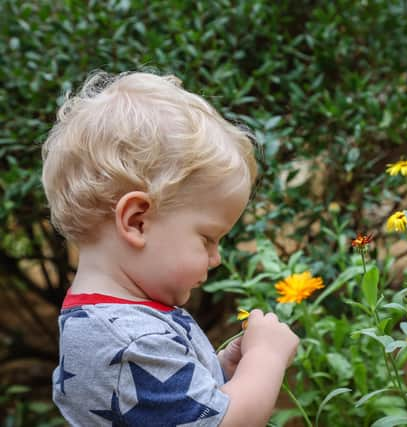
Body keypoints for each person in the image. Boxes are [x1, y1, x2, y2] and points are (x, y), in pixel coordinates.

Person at [44, 71, 299, 426]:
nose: (216, 257)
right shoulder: (132, 341)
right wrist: (266, 358)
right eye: (207, 238)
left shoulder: (112, 321)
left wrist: (222, 369)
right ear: (137, 221)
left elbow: (173, 413)